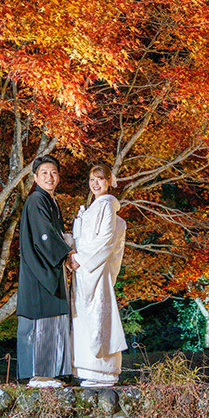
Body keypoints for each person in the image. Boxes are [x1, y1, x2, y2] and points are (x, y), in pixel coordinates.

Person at [17, 155, 78, 388]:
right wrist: (67, 253)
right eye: (44, 173)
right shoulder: (36, 200)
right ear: (35, 177)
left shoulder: (51, 201)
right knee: (40, 321)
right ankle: (38, 375)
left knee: (54, 321)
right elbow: (44, 236)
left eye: (53, 172)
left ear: (59, 176)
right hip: (39, 270)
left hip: (50, 269)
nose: (49, 177)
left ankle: (54, 373)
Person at [71, 163, 128, 387]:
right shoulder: (93, 207)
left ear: (108, 181)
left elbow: (106, 239)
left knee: (99, 315)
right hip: (85, 270)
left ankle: (103, 372)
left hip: (94, 269)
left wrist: (80, 258)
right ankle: (90, 369)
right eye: (92, 179)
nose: (95, 184)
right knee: (85, 318)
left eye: (100, 179)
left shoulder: (106, 206)